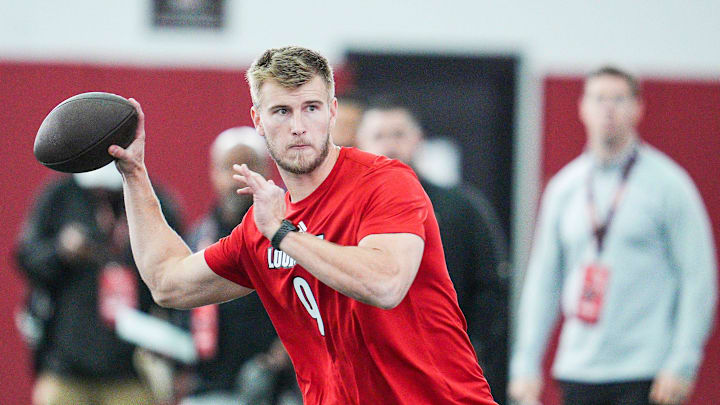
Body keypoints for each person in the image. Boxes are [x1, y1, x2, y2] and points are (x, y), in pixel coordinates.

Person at [107, 45, 496, 404]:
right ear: (258, 120)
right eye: (281, 111)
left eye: (310, 108)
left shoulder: (384, 181)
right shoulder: (261, 227)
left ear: (331, 111)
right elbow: (167, 281)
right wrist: (134, 173)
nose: (298, 126)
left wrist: (284, 234)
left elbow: (384, 282)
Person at [508, 66, 717, 405]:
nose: (608, 109)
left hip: (646, 372)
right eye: (599, 98)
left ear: (638, 109)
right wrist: (525, 362)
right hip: (578, 369)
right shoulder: (565, 188)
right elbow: (543, 281)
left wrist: (683, 361)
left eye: (619, 99)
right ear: (582, 108)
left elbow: (698, 279)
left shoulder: (668, 185)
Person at [355, 96, 510, 404]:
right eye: (378, 136)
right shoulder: (344, 213)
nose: (389, 145)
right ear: (359, 143)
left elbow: (490, 294)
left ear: (418, 140)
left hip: (444, 373)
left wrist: (469, 354)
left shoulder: (462, 209)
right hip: (368, 374)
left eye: (398, 135)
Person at [15, 163, 183, 405]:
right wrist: (60, 251)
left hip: (132, 370)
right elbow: (26, 257)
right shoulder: (59, 197)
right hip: (65, 367)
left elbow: (177, 270)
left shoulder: (151, 199)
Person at [178, 126, 299, 405]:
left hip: (275, 385)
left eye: (249, 167)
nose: (237, 178)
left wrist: (280, 354)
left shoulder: (290, 230)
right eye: (227, 168)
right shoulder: (199, 236)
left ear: (268, 171)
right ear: (212, 172)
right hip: (209, 385)